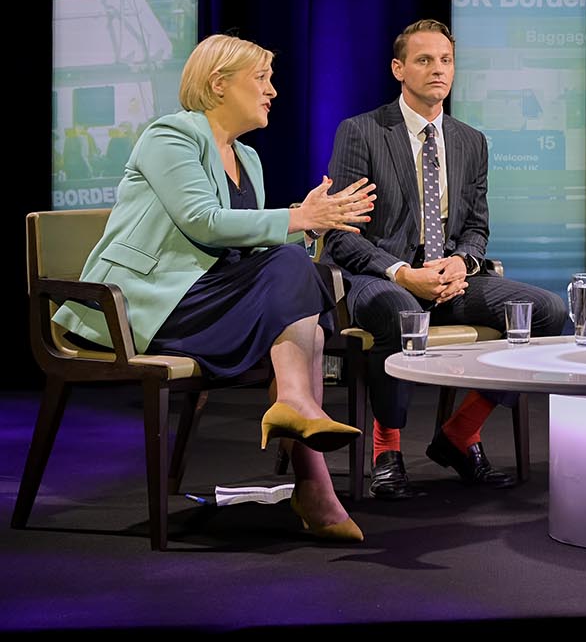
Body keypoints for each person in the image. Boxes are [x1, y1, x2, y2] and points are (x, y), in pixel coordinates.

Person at [52, 34, 377, 542]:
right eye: (262, 79)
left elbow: (249, 252)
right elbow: (203, 222)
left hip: (209, 298)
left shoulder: (247, 159)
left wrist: (309, 225)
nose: (273, 91)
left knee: (295, 272)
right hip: (143, 305)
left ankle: (301, 434)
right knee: (292, 270)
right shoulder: (170, 136)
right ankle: (311, 473)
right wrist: (297, 218)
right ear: (218, 83)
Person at [324, 19, 567, 501]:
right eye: (424, 60)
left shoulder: (469, 141)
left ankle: (460, 434)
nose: (438, 70)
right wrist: (403, 273)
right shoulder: (362, 132)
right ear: (399, 69)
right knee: (403, 312)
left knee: (547, 312)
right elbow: (339, 234)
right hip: (381, 277)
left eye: (446, 60)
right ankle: (387, 452)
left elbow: (476, 227)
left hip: (448, 279)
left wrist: (464, 264)